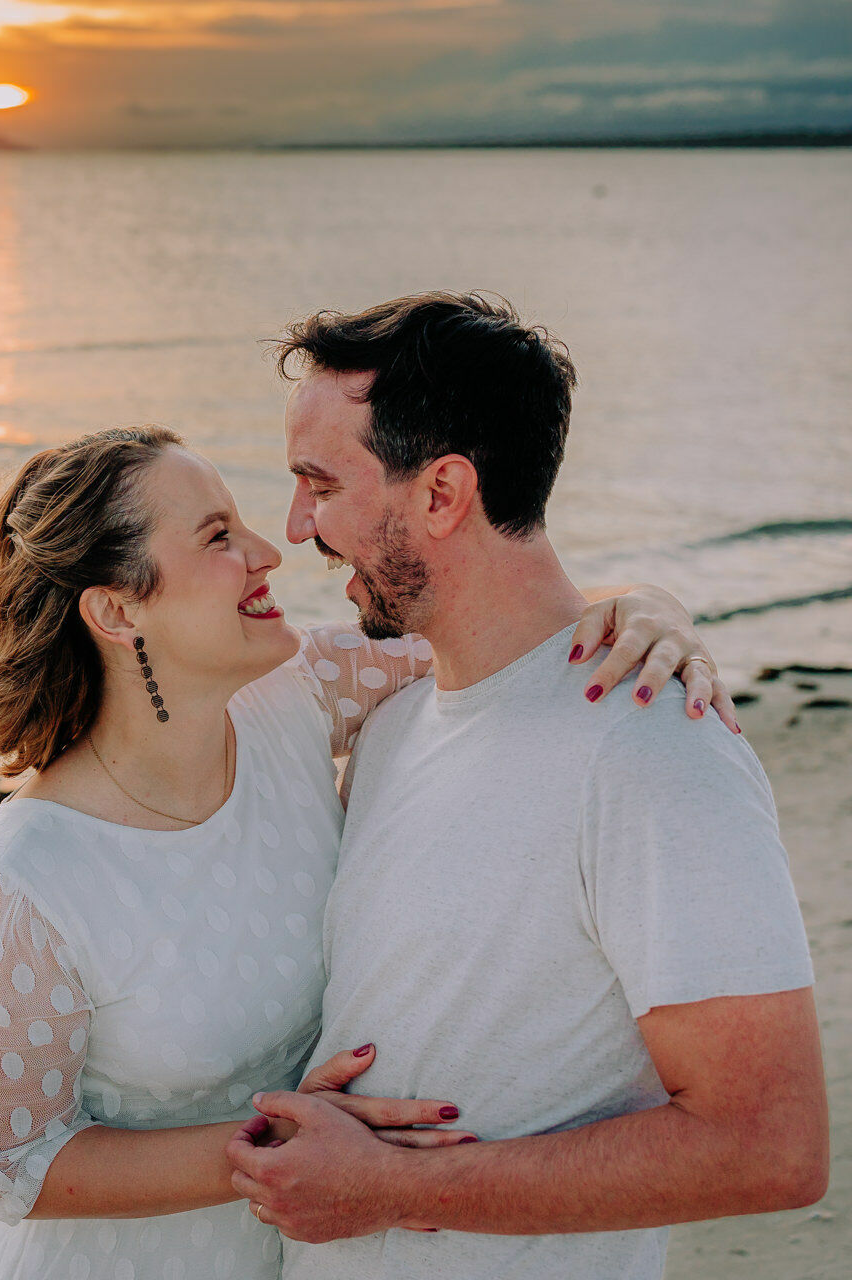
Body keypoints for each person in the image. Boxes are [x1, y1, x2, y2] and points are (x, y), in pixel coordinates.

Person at [0, 420, 729, 1280]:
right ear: (117, 611)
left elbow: (503, 635)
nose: (268, 551)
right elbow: (16, 1165)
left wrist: (644, 606)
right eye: (218, 537)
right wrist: (274, 1144)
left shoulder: (296, 694)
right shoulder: (20, 886)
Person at [226, 292, 826, 1279]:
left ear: (443, 492)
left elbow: (769, 1146)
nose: (296, 528)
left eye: (319, 485)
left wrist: (391, 1188)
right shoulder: (392, 727)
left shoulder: (653, 749)